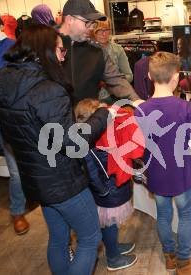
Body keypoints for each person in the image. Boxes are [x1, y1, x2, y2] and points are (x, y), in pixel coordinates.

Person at [0, 24, 112, 274]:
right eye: (59, 50)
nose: (62, 56)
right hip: (62, 180)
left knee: (58, 238)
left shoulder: (3, 81)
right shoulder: (47, 90)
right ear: (42, 51)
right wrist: (101, 116)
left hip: (35, 178)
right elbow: (72, 143)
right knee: (90, 238)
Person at [134, 52, 191, 275]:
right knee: (186, 214)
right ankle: (184, 262)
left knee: (163, 214)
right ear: (177, 77)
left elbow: (138, 145)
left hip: (157, 174)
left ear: (150, 76)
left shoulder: (142, 109)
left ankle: (169, 257)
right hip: (179, 174)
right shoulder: (185, 108)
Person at [74, 98, 143, 271]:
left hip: (111, 186)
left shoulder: (101, 137)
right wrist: (103, 190)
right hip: (107, 190)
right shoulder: (89, 144)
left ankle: (114, 246)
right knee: (109, 223)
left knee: (111, 223)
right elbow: (90, 171)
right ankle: (113, 257)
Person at [0, 3, 28, 257]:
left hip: (8, 120)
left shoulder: (9, 45)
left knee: (17, 172)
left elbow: (20, 78)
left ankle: (18, 212)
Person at [59, 0, 142, 105]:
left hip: (89, 117)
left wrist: (136, 100)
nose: (92, 28)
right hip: (53, 118)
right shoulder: (45, 47)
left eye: (93, 23)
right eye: (87, 22)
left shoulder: (96, 51)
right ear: (70, 19)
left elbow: (116, 79)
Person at [91, 18, 133, 103]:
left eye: (106, 30)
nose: (104, 34)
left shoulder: (118, 49)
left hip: (115, 97)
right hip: (93, 98)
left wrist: (113, 82)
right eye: (99, 30)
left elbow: (129, 76)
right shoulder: (89, 50)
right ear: (93, 31)